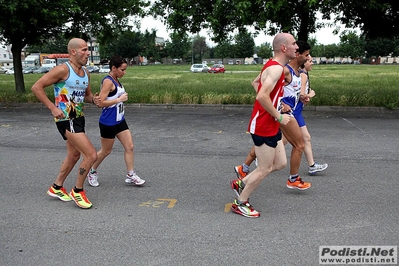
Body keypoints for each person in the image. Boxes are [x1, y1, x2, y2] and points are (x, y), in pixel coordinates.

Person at [229, 32, 297, 218]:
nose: (297, 47)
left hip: (271, 123)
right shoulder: (275, 69)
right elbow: (261, 95)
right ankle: (241, 202)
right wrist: (279, 116)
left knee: (281, 163)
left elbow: (255, 84)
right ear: (284, 48)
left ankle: (242, 182)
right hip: (263, 126)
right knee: (265, 168)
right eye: (293, 44)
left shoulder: (273, 66)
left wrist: (275, 105)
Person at [31, 38, 99, 209]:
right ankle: (78, 190)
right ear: (73, 52)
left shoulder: (86, 73)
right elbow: (36, 87)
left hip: (79, 118)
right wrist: (53, 108)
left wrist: (94, 100)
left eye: (88, 49)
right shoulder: (62, 70)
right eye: (83, 50)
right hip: (65, 119)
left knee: (74, 155)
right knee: (91, 155)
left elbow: (87, 96)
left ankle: (56, 187)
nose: (87, 53)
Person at [87, 55, 145, 187]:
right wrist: (119, 100)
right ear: (114, 68)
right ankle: (92, 171)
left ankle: (130, 174)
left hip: (120, 120)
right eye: (122, 70)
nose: (124, 73)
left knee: (129, 147)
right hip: (108, 122)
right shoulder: (108, 81)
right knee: (106, 151)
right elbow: (100, 104)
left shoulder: (117, 80)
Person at [279, 40, 312, 190]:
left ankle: (244, 168)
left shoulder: (298, 73)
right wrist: (280, 105)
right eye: (306, 55)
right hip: (281, 114)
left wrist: (302, 97)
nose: (308, 58)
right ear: (297, 54)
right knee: (299, 144)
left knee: (271, 143)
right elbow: (266, 89)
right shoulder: (285, 70)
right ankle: (293, 179)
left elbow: (292, 92)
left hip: (289, 112)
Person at [293, 55, 328, 174]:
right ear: (304, 63)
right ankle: (260, 157)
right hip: (294, 112)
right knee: (282, 140)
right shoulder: (303, 76)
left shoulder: (303, 74)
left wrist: (304, 98)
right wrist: (310, 95)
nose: (312, 63)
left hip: (297, 112)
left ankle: (312, 166)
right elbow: (301, 94)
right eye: (310, 61)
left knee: (305, 138)